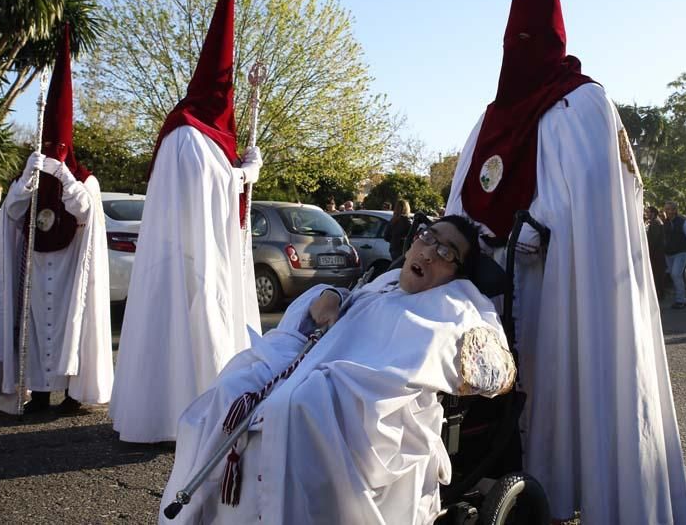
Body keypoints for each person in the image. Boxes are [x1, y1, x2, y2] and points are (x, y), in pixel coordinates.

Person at [444, 0, 686, 521]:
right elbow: (459, 209)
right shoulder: (487, 121)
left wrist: (532, 233)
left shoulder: (585, 107)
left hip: (564, 304)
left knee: (574, 403)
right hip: (499, 302)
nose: (517, 46)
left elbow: (603, 220)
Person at [160, 216, 515, 524]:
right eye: (427, 237)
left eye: (445, 252)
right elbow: (344, 302)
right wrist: (329, 296)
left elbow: (493, 371)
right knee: (233, 385)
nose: (428, 252)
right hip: (309, 365)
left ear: (457, 273)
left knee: (295, 408)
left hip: (365, 402)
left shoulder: (454, 304)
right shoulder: (385, 282)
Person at [111, 0, 263, 443]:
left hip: (202, 256)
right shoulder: (186, 133)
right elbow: (204, 192)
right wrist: (243, 175)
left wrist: (240, 170)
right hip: (184, 261)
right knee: (180, 340)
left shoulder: (206, 137)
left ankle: (202, 415)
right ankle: (171, 418)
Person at [0, 25, 113, 415]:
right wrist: (27, 180)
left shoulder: (84, 178)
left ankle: (72, 393)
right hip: (34, 265)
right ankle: (38, 392)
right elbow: (11, 213)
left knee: (66, 332)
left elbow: (87, 213)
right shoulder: (30, 174)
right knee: (33, 333)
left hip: (68, 271)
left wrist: (63, 176)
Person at [664, 201, 686, 310]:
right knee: (675, 275)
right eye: (666, 209)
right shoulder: (665, 222)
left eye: (669, 209)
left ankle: (680, 300)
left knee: (676, 274)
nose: (667, 212)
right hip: (669, 253)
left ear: (675, 210)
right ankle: (679, 298)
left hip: (681, 252)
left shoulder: (683, 222)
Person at [645, 205, 666, 300]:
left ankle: (659, 293)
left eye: (648, 212)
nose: (646, 214)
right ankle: (660, 292)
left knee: (657, 274)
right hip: (658, 252)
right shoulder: (656, 222)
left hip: (656, 253)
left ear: (653, 213)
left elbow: (654, 240)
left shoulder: (655, 223)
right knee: (658, 274)